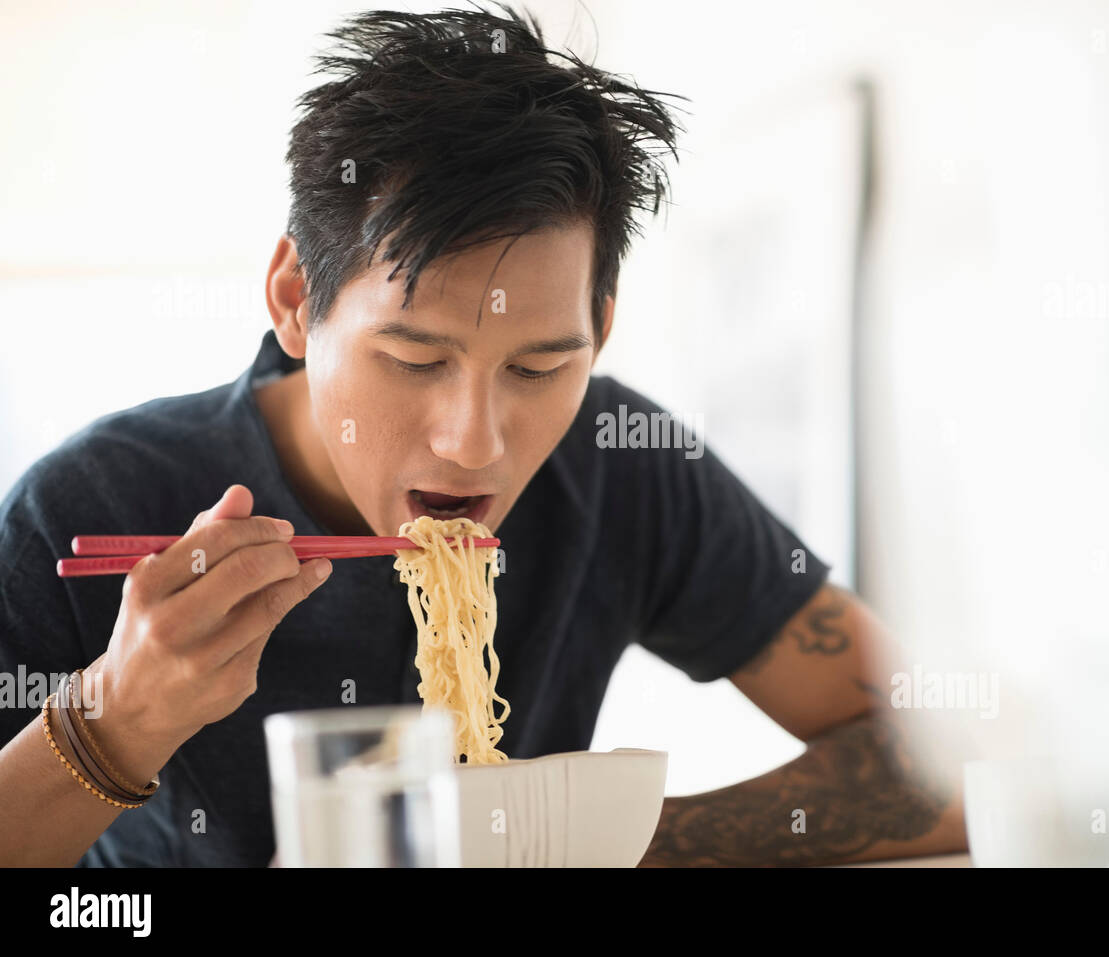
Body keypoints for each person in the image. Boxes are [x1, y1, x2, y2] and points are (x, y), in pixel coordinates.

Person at [0, 4, 966, 867]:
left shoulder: (619, 462)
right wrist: (110, 726)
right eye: (414, 360)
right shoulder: (88, 507)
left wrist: (588, 844)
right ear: (296, 300)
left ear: (603, 327)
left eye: (540, 369)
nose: (473, 442)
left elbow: (945, 755)